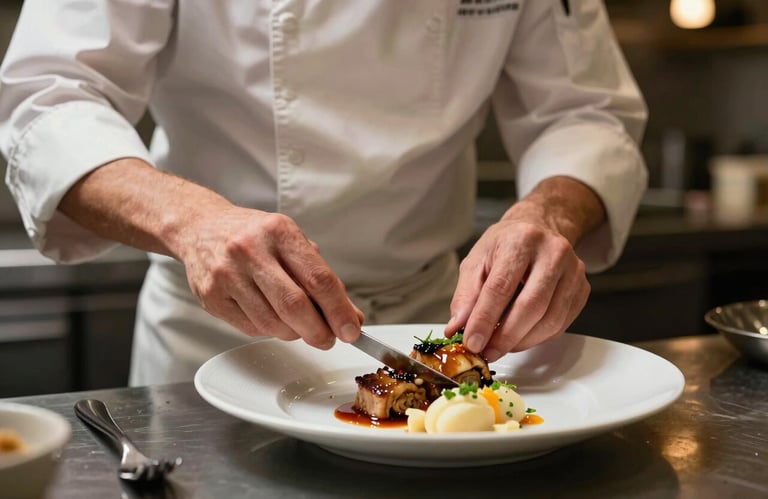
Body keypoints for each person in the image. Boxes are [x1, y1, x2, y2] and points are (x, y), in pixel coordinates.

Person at [0, 0, 647, 386]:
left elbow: (585, 112)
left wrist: (549, 213)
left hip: (434, 323)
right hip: (218, 337)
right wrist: (192, 222)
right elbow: (46, 99)